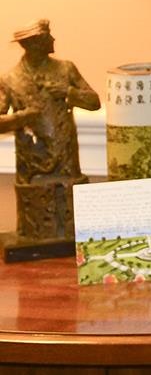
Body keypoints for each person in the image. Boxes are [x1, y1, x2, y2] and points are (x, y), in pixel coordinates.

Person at [0, 19, 101, 245]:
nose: (53, 40)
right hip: (32, 160)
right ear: (34, 43)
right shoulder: (9, 79)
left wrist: (68, 92)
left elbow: (94, 102)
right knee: (36, 219)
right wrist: (23, 117)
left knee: (68, 210)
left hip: (66, 156)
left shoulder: (66, 69)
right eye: (48, 37)